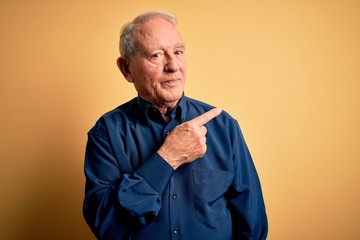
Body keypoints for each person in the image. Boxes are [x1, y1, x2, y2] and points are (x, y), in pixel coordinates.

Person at [83, 10, 268, 240]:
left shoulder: (224, 127)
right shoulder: (106, 134)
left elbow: (253, 226)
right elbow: (105, 225)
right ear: (126, 69)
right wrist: (167, 158)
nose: (173, 66)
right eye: (156, 55)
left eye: (178, 52)